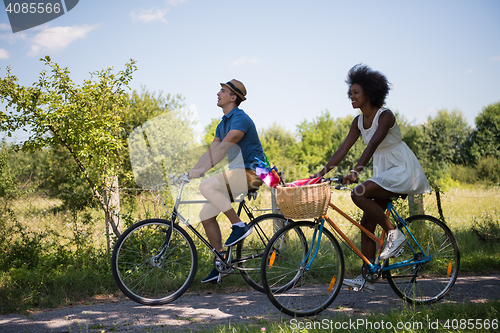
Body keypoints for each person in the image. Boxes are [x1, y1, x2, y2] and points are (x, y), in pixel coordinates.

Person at [312, 64, 431, 292]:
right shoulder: (357, 122)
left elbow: (373, 145)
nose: (351, 96)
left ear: (369, 92)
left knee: (359, 192)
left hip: (401, 168)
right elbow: (342, 150)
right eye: (350, 93)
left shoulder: (385, 116)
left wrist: (356, 172)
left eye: (356, 92)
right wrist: (318, 175)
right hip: (384, 171)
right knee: (366, 225)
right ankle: (367, 277)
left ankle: (394, 235)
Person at [188, 79, 264, 283]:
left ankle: (239, 226)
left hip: (253, 173)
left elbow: (222, 150)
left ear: (233, 97)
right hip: (238, 173)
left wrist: (202, 172)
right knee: (205, 214)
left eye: (222, 91)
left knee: (207, 185)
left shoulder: (240, 119)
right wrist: (192, 171)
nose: (217, 93)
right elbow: (212, 150)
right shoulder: (223, 123)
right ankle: (222, 263)